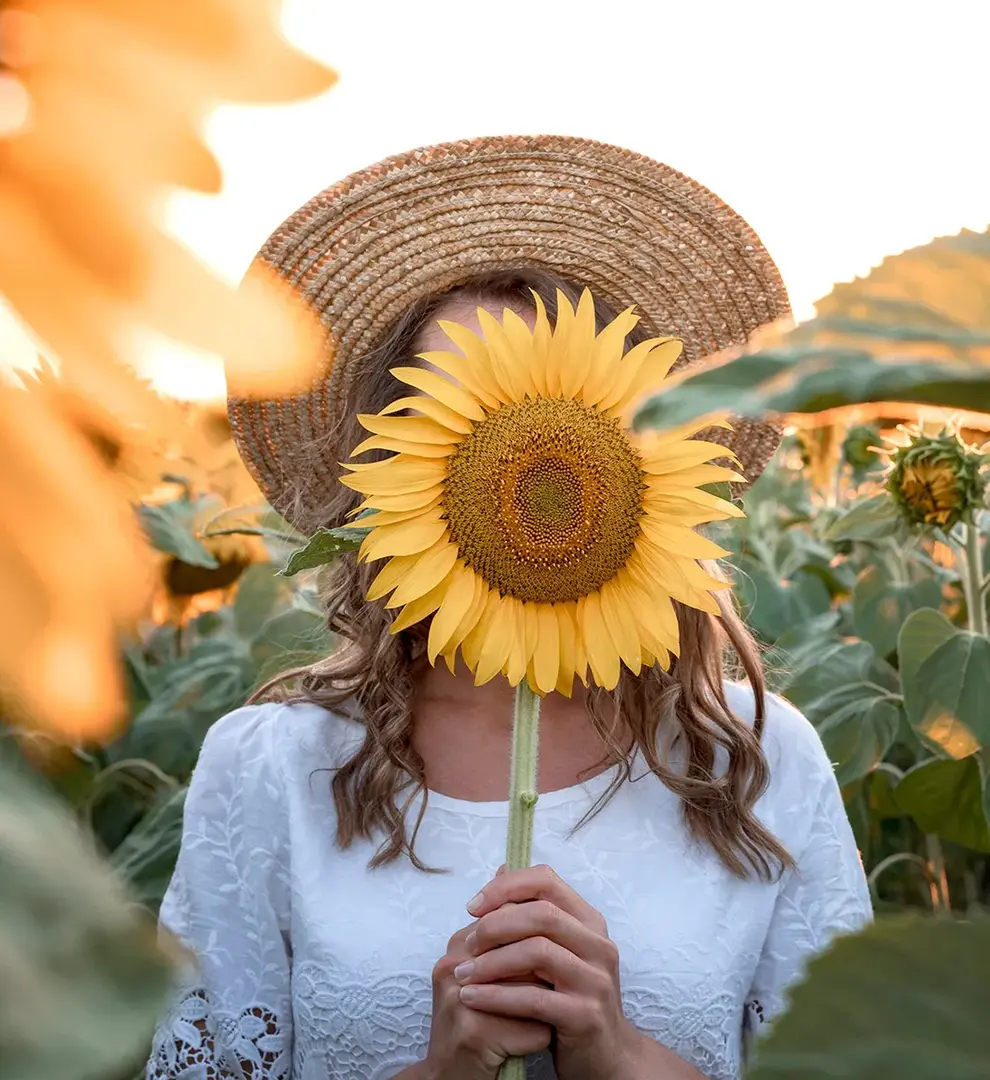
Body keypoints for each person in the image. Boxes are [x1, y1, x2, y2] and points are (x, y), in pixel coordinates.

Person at [146, 136, 872, 1080]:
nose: (521, 450)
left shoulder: (757, 764)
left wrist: (617, 1056)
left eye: (552, 399)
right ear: (387, 465)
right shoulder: (272, 772)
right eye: (463, 404)